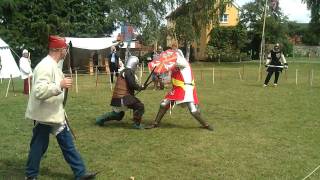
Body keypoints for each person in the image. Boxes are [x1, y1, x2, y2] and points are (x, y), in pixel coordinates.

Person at [24, 35, 97, 180]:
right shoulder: (45, 66)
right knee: (39, 146)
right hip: (45, 115)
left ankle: (80, 173)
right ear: (58, 50)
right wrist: (60, 85)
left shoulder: (54, 65)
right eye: (65, 49)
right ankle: (31, 176)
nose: (66, 51)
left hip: (54, 113)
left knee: (66, 144)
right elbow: (39, 91)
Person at [146, 42, 213, 131]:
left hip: (186, 88)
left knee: (193, 110)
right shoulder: (174, 67)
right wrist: (161, 80)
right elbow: (169, 79)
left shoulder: (184, 63)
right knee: (163, 104)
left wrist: (165, 59)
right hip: (177, 89)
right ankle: (155, 123)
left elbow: (173, 60)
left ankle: (206, 125)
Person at [96, 56, 146, 129]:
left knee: (118, 115)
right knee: (139, 106)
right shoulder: (128, 72)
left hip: (117, 98)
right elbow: (132, 84)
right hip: (123, 97)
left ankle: (100, 119)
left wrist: (140, 87)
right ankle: (136, 124)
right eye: (136, 65)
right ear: (134, 64)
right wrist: (140, 87)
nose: (137, 66)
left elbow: (130, 85)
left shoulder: (124, 71)